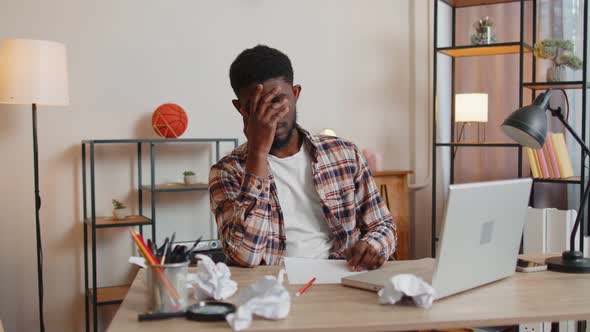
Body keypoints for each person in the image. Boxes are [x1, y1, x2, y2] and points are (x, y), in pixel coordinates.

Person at [208, 45, 397, 271]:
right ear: (240, 109)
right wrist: (257, 153)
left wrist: (373, 245)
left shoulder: (344, 154)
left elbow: (383, 225)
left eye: (278, 101)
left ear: (295, 94)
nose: (271, 116)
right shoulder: (226, 171)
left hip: (342, 277)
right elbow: (245, 257)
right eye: (256, 107)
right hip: (275, 286)